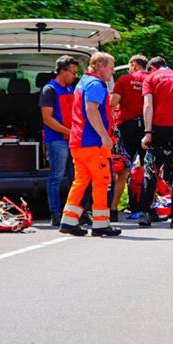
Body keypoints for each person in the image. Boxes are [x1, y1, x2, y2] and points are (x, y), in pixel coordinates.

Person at [58, 52, 120, 237]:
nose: (112, 71)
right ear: (100, 65)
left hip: (78, 142)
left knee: (81, 181)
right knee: (102, 181)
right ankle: (101, 224)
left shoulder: (82, 83)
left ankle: (68, 221)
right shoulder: (96, 84)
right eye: (110, 67)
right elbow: (91, 110)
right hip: (92, 142)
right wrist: (104, 136)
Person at [139, 57, 173, 229]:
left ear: (152, 68)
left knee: (151, 170)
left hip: (159, 128)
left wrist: (147, 132)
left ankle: (145, 213)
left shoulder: (151, 78)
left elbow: (148, 105)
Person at [40, 55, 79, 226]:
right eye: (72, 72)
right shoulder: (50, 90)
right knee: (56, 176)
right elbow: (47, 118)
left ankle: (75, 212)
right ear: (62, 72)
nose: (74, 76)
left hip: (72, 139)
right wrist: (68, 132)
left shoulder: (70, 89)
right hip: (58, 140)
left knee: (76, 177)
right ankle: (55, 213)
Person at [111, 54, 148, 217]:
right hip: (147, 128)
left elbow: (112, 103)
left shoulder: (124, 80)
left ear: (133, 65)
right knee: (149, 169)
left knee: (123, 169)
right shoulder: (152, 79)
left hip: (127, 127)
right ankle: (145, 207)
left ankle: (112, 209)